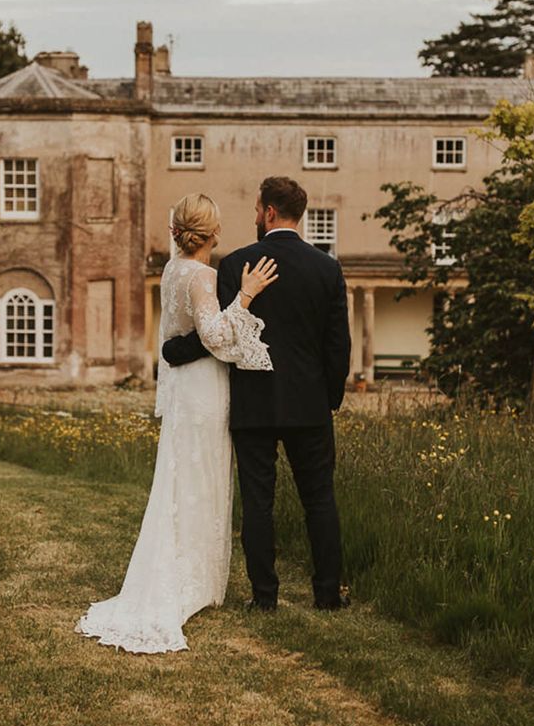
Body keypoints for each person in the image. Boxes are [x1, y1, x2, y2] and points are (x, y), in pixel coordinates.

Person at [75, 193, 277, 653]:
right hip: (204, 389)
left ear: (176, 233)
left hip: (186, 387)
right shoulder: (203, 276)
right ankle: (191, 584)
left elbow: (178, 338)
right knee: (201, 480)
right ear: (215, 234)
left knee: (181, 478)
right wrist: (246, 295)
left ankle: (194, 578)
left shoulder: (171, 270)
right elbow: (215, 335)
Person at [162, 176, 351, 611]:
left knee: (258, 503)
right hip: (310, 405)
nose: (254, 217)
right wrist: (330, 398)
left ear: (268, 212)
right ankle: (327, 596)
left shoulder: (236, 264)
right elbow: (337, 344)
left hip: (254, 402)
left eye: (255, 210)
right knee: (320, 500)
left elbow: (221, 336)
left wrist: (174, 349)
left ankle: (264, 597)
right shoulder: (327, 268)